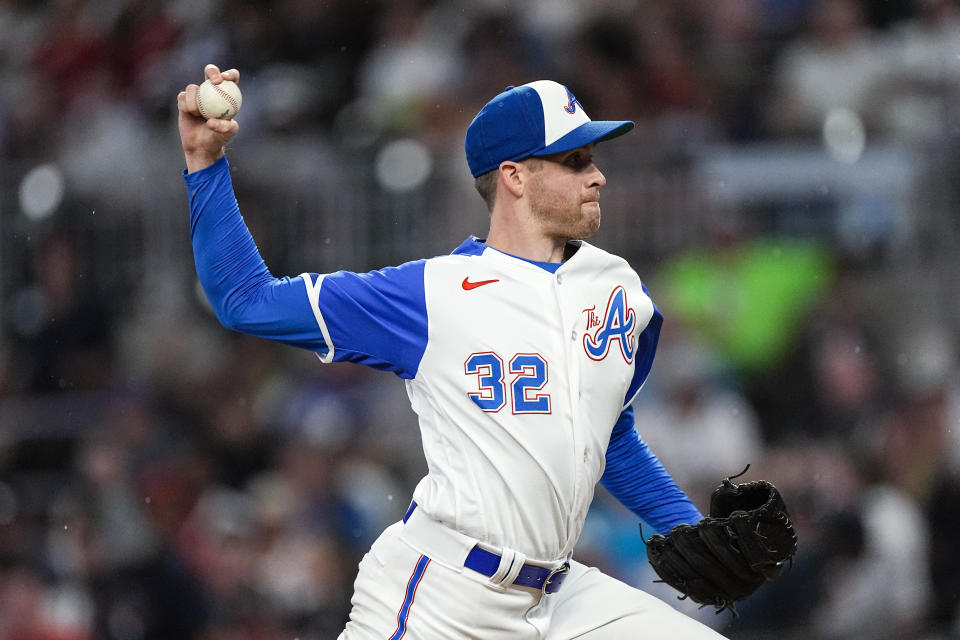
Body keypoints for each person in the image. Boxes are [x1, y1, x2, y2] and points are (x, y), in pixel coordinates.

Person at [178, 63, 728, 639]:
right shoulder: (430, 294)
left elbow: (605, 434)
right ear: (515, 176)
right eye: (575, 161)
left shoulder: (615, 287)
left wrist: (687, 530)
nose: (598, 177)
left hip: (561, 595)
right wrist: (206, 164)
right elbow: (245, 300)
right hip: (444, 594)